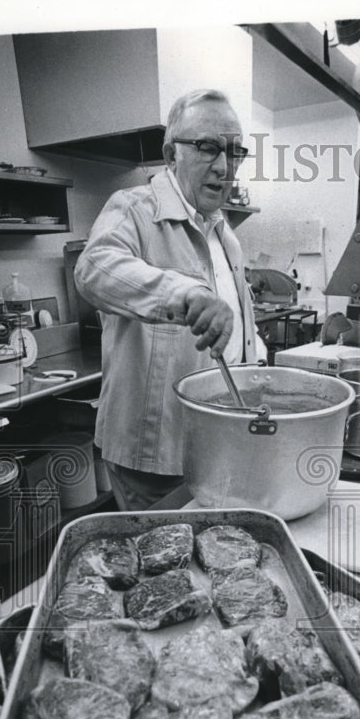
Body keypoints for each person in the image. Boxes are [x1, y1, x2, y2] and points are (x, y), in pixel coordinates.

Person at [74, 88, 267, 510]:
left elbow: (237, 330)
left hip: (215, 442)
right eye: (208, 147)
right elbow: (93, 269)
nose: (224, 166)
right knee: (162, 564)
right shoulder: (133, 209)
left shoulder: (224, 232)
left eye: (235, 152)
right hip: (154, 454)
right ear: (170, 154)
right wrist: (184, 293)